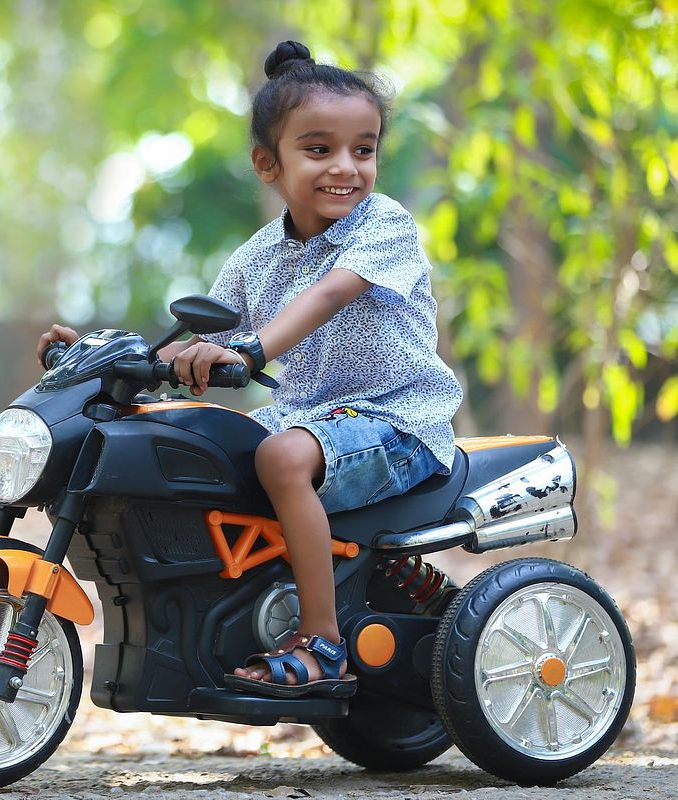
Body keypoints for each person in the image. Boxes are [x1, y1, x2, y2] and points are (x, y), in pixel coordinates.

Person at [36, 41, 462, 698]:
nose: (347, 167)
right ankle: (236, 619)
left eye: (364, 149)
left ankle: (321, 643)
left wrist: (254, 352)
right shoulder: (257, 257)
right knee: (201, 452)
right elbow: (197, 340)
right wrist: (102, 358)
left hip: (396, 415)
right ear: (269, 164)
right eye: (319, 150)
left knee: (282, 460)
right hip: (311, 417)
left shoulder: (384, 226)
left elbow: (327, 296)